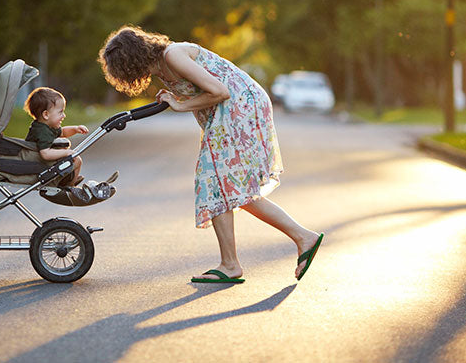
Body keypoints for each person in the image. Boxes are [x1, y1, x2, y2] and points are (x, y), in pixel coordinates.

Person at [98, 26, 324, 282]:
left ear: (132, 60)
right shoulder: (162, 66)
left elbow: (220, 91)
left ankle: (232, 264)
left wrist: (180, 105)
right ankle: (301, 238)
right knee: (231, 188)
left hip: (240, 106)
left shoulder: (173, 55)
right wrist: (175, 97)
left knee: (215, 181)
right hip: (231, 110)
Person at [24, 87, 114, 203]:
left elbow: (63, 132)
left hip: (43, 163)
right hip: (40, 165)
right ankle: (70, 185)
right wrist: (67, 152)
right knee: (76, 160)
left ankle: (69, 180)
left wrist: (75, 129)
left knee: (75, 158)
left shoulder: (46, 126)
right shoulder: (42, 132)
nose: (64, 116)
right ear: (46, 114)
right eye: (60, 112)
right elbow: (45, 154)